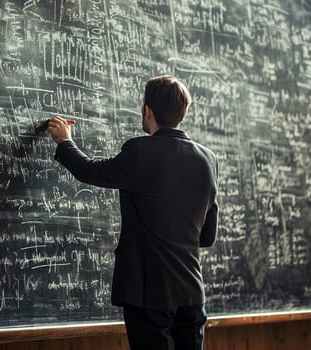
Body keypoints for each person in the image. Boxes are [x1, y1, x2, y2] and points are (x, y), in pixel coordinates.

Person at [47, 75, 219, 350]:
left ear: (147, 110)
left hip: (148, 292)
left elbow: (90, 170)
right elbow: (207, 237)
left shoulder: (140, 151)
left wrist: (64, 142)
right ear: (182, 112)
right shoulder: (209, 159)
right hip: (191, 294)